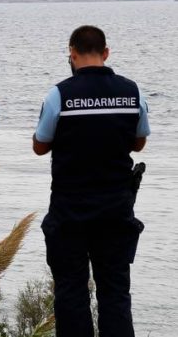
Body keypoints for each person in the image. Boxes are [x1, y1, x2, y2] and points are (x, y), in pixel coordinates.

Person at [33, 25, 149, 337]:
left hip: (70, 209)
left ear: (71, 55)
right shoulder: (132, 91)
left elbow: (40, 146)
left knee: (71, 291)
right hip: (115, 208)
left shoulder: (59, 94)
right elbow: (139, 143)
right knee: (115, 292)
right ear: (106, 53)